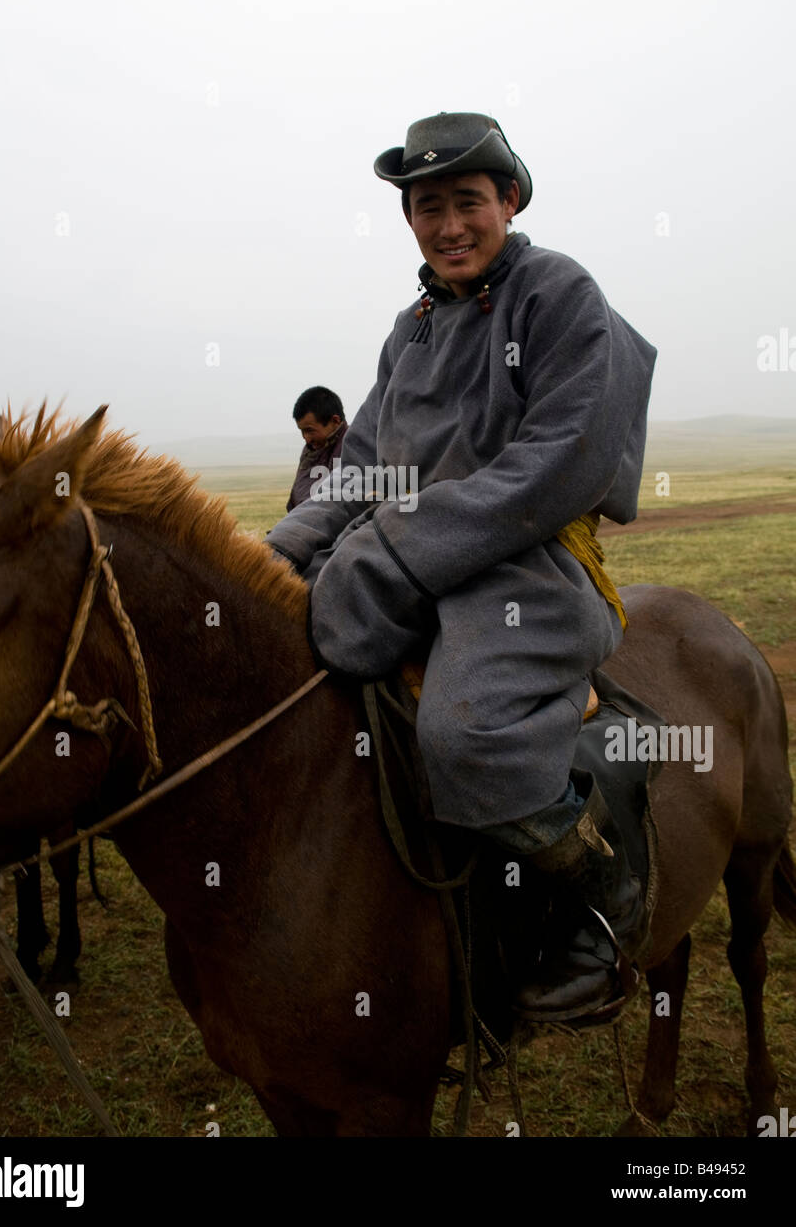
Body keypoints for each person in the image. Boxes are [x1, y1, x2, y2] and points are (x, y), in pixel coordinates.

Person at [267, 113, 657, 1023]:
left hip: (529, 568)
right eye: (427, 207)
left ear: (508, 202)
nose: (449, 225)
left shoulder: (559, 293)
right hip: (418, 562)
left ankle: (601, 893)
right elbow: (362, 467)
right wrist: (277, 554)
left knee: (461, 729)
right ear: (409, 220)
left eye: (467, 203)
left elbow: (561, 461)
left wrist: (396, 547)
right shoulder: (409, 332)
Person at [286, 387, 348, 512]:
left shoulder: (354, 446)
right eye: (302, 431)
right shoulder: (311, 449)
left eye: (310, 430)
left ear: (335, 421)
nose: (306, 438)